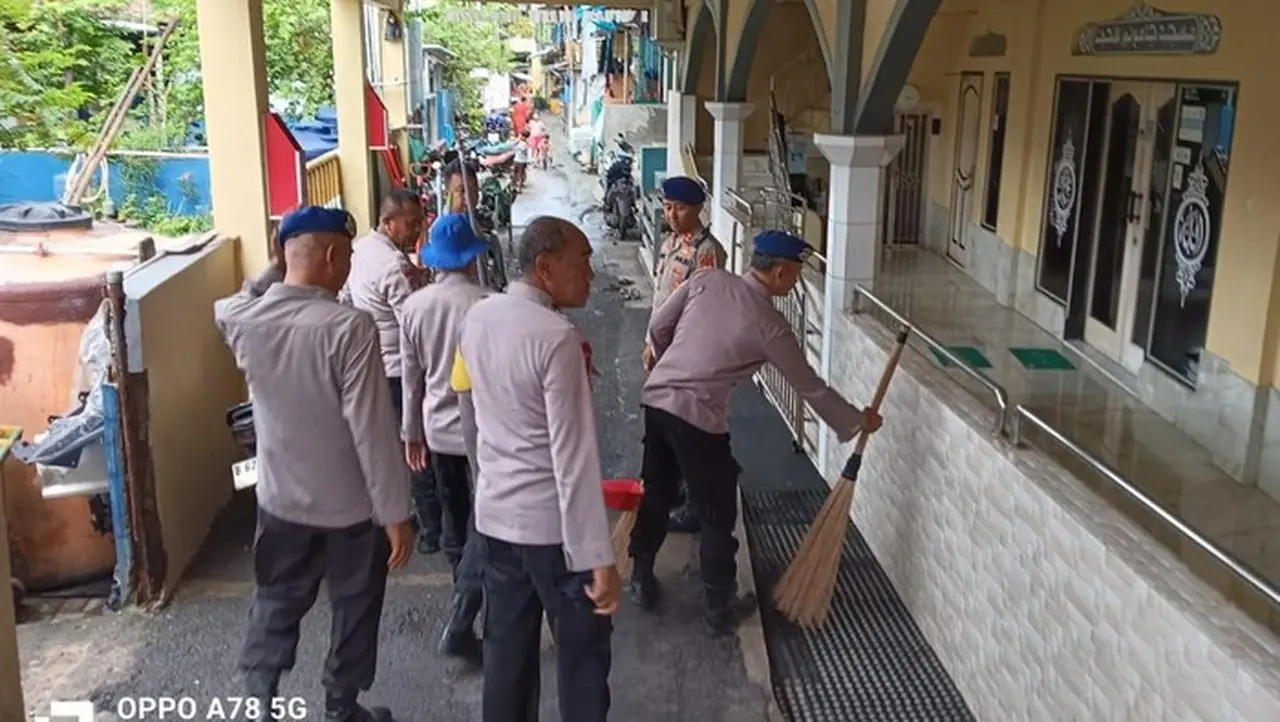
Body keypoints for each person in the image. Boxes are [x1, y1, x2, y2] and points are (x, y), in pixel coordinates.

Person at [628, 230, 884, 635]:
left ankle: (640, 575)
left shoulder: (707, 279)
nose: (796, 282)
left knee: (657, 492)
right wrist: (857, 421)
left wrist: (669, 367)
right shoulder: (771, 326)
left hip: (657, 402)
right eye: (796, 273)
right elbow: (809, 387)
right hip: (698, 420)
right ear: (780, 272)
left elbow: (660, 326)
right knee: (717, 513)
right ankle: (718, 608)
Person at [214, 206, 414, 722]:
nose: (348, 268)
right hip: (350, 510)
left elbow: (231, 302)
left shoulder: (244, 320)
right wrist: (396, 513)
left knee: (276, 598)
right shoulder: (350, 327)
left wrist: (278, 265)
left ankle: (261, 700)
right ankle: (341, 707)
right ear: (330, 256)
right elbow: (372, 429)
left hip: (280, 500)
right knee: (354, 608)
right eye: (346, 256)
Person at [455, 216, 619, 722]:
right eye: (583, 261)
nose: (590, 273)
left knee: (507, 656)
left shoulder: (478, 318)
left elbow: (473, 416)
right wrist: (597, 556)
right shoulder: (556, 339)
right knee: (582, 659)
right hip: (554, 534)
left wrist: (485, 487)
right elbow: (573, 458)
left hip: (497, 522)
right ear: (545, 268)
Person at [399, 214, 493, 664]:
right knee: (486, 518)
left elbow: (411, 380)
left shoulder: (415, 307)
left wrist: (411, 433)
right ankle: (470, 605)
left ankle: (462, 587)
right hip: (485, 430)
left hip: (438, 429)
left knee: (454, 516)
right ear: (471, 259)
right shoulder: (488, 303)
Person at [341, 190, 442, 555]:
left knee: (390, 446)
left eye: (420, 221)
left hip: (374, 367)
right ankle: (432, 530)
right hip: (401, 371)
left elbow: (347, 299)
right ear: (388, 222)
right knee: (417, 448)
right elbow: (415, 322)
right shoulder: (394, 266)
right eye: (410, 223)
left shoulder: (360, 251)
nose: (417, 230)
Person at [642, 176, 727, 535]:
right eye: (667, 207)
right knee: (665, 423)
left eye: (679, 208)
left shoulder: (708, 252)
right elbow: (660, 297)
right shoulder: (669, 245)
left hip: (688, 356)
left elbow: (704, 310)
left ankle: (696, 504)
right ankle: (675, 487)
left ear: (698, 209)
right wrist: (650, 343)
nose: (671, 214)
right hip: (662, 351)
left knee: (689, 427)